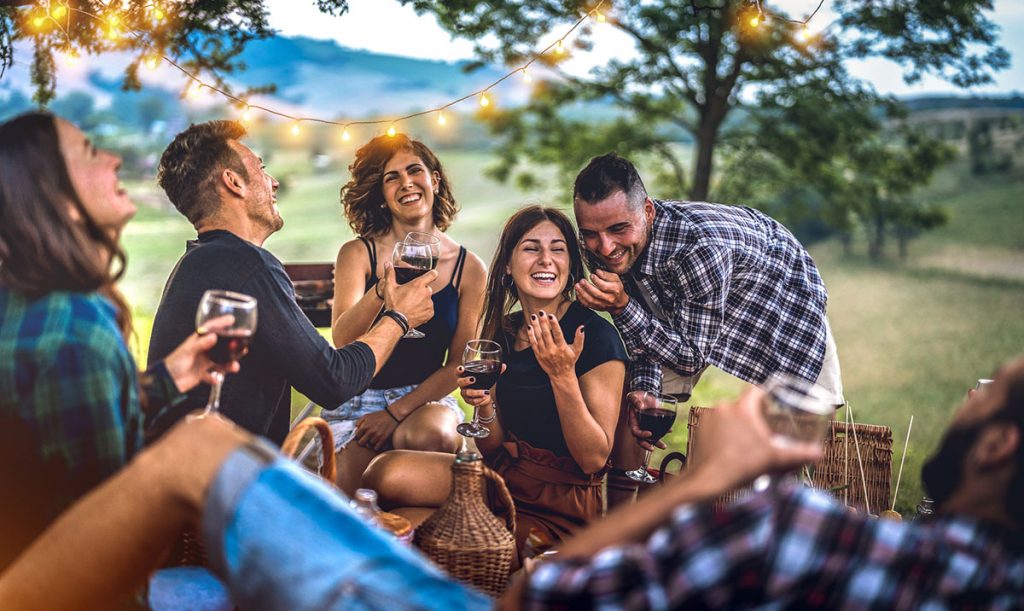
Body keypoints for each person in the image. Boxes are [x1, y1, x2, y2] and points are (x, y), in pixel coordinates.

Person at [6, 358, 1022, 610]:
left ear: (998, 447)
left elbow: (539, 577)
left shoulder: (797, 528)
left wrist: (709, 478)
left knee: (203, 454)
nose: (974, 386)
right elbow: (447, 405)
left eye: (994, 387)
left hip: (519, 549)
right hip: (474, 477)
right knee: (319, 458)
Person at [0, 112, 238, 572]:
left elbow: (62, 422)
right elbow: (102, 550)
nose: (112, 160)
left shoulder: (26, 305)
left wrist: (171, 376)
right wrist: (181, 466)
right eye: (90, 153)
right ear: (59, 200)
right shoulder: (76, 331)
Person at [146, 121, 436, 445]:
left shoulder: (200, 262)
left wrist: (382, 291)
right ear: (234, 183)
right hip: (217, 481)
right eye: (261, 168)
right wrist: (399, 317)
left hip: (185, 466)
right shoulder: (249, 266)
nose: (273, 182)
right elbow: (334, 381)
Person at [362, 206, 628, 552]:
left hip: (557, 505)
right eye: (532, 248)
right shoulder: (504, 332)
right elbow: (492, 445)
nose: (546, 259)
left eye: (558, 249)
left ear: (570, 266)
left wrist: (562, 376)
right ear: (507, 265)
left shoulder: (594, 336)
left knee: (410, 540)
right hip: (500, 480)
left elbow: (593, 458)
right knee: (383, 475)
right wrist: (485, 406)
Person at [572, 152, 844, 406]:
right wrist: (645, 395)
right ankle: (628, 460)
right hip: (689, 304)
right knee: (632, 399)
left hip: (779, 293)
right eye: (590, 234)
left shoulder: (699, 249)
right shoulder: (601, 243)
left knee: (808, 421)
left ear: (648, 212)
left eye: (618, 228)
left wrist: (621, 306)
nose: (605, 248)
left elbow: (688, 358)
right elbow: (644, 336)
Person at [324, 134, 487, 493]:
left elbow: (460, 362)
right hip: (358, 401)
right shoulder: (357, 254)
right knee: (356, 491)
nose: (406, 183)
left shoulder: (468, 268)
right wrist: (382, 291)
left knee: (432, 437)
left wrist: (396, 412)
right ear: (381, 194)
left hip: (424, 398)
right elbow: (343, 340)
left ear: (435, 180)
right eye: (391, 177)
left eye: (415, 171)